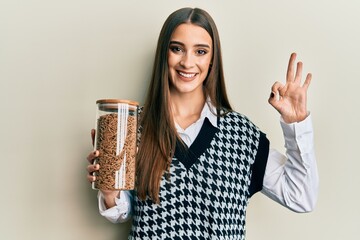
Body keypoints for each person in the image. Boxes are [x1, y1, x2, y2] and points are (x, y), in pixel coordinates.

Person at [86, 7, 318, 239]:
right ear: (163, 55)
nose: (187, 62)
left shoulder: (241, 135)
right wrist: (109, 190)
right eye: (177, 49)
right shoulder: (134, 127)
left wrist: (295, 123)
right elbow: (122, 212)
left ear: (211, 60)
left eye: (200, 51)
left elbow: (301, 196)